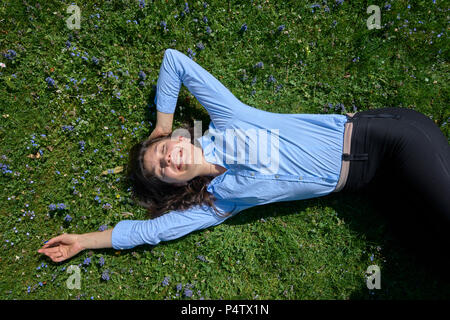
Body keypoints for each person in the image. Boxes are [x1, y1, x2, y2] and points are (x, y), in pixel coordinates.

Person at [38, 49, 450, 264]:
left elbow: (174, 61)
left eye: (165, 151)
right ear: (173, 185)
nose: (169, 160)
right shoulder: (219, 201)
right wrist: (85, 242)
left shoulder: (229, 119)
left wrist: (159, 127)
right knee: (432, 255)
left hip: (388, 140)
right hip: (366, 184)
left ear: (181, 138)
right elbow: (154, 231)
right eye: (162, 170)